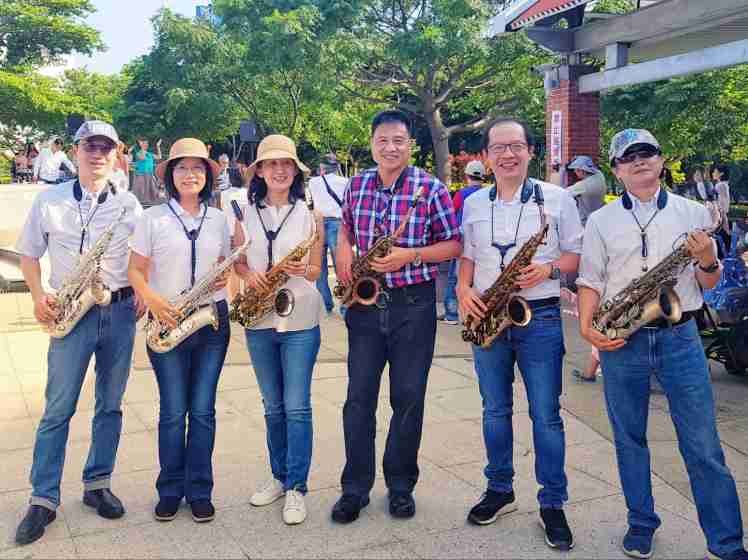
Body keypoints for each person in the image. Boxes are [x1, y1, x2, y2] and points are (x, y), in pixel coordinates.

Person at [577, 128, 747, 560]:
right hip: (623, 340)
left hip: (680, 337)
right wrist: (587, 328)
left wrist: (707, 258)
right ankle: (641, 524)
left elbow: (709, 283)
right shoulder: (601, 221)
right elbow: (590, 280)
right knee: (628, 439)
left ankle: (727, 541)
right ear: (616, 170)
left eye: (647, 153)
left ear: (661, 159)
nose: (639, 161)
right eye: (628, 157)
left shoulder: (694, 213)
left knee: (702, 443)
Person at [14, 121, 143, 546]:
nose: (98, 154)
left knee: (110, 405)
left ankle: (98, 484)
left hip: (119, 310)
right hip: (71, 310)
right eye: (91, 146)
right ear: (76, 150)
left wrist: (143, 291)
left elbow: (144, 257)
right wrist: (38, 296)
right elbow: (29, 255)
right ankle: (43, 498)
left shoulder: (128, 204)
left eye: (106, 147)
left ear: (116, 153)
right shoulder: (49, 200)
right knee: (58, 409)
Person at [456, 117, 582, 551]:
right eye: (498, 148)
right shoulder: (475, 203)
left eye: (516, 146)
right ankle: (499, 488)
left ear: (530, 151)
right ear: (486, 156)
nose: (507, 155)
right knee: (494, 410)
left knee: (545, 414)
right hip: (488, 314)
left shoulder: (557, 199)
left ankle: (553, 502)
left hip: (539, 316)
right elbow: (468, 255)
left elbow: (576, 255)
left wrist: (548, 269)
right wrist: (463, 289)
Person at [331, 109, 461, 524]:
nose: (390, 148)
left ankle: (401, 486)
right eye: (383, 140)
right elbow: (345, 228)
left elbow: (454, 245)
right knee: (358, 399)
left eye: (399, 140)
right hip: (365, 304)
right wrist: (343, 249)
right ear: (372, 144)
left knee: (408, 398)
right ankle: (354, 488)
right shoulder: (357, 185)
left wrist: (411, 255)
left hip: (414, 304)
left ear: (411, 145)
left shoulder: (431, 188)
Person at [128, 138, 231, 524]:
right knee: (173, 412)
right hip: (166, 319)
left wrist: (223, 277)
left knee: (202, 411)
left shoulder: (218, 219)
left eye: (198, 168)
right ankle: (170, 489)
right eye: (183, 168)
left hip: (210, 321)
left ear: (207, 176)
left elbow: (224, 264)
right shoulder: (152, 218)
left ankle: (200, 490)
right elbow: (135, 271)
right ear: (170, 175)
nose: (190, 174)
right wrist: (153, 301)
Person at [233, 135, 324, 525]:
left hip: (299, 315)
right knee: (272, 406)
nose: (280, 170)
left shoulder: (311, 214)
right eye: (272, 164)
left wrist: (305, 269)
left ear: (296, 172)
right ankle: (279, 476)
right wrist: (248, 274)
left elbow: (316, 270)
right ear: (259, 172)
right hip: (259, 318)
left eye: (287, 164)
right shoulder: (243, 213)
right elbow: (237, 262)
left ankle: (297, 487)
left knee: (297, 406)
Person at [439, 159, 484, 325]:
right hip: (482, 241)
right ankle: (472, 314)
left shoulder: (462, 194)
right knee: (476, 279)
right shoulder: (487, 194)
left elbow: (451, 214)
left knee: (455, 277)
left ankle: (451, 314)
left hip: (463, 241)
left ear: (467, 175)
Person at [308, 153, 348, 315]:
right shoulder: (345, 182)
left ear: (322, 167)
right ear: (336, 167)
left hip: (318, 223)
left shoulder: (313, 182)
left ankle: (326, 304)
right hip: (337, 223)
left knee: (319, 266)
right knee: (341, 266)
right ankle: (345, 306)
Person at [220, 164, 249, 302]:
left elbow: (222, 210)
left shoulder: (224, 194)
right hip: (246, 235)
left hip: (230, 235)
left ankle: (234, 300)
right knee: (247, 266)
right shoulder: (248, 193)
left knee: (233, 270)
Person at [565, 155, 606, 227]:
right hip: (600, 217)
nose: (574, 172)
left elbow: (564, 193)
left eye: (576, 170)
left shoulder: (584, 185)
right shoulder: (599, 175)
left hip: (588, 222)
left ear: (583, 171)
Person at [129, 137, 162, 206]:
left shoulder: (149, 154)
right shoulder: (138, 153)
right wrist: (142, 147)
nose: (146, 145)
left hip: (149, 173)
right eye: (144, 143)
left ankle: (147, 201)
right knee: (142, 188)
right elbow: (142, 158)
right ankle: (141, 202)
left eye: (147, 143)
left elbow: (159, 157)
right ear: (141, 145)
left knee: (151, 187)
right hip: (141, 173)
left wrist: (158, 146)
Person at [713, 164, 732, 240]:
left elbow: (723, 200)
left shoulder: (720, 185)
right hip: (722, 212)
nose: (713, 173)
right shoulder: (724, 184)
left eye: (715, 172)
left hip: (720, 212)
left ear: (721, 173)